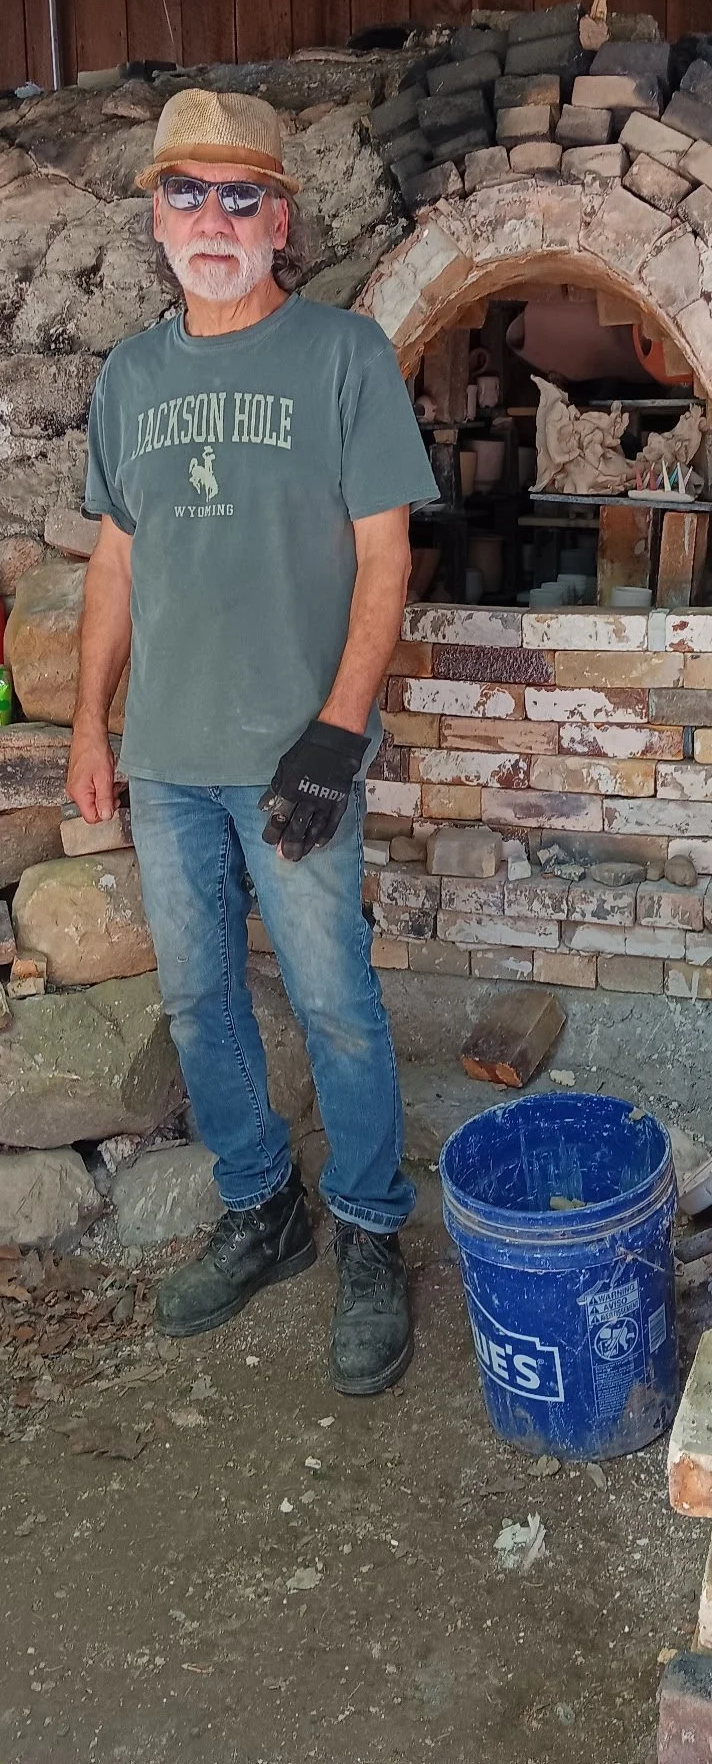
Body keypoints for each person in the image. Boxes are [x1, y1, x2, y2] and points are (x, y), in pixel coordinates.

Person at [67, 88, 438, 1396]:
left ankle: (375, 1229)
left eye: (241, 196)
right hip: (167, 760)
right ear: (155, 214)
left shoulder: (343, 356)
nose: (212, 220)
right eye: (188, 192)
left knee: (334, 1000)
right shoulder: (130, 377)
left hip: (296, 756)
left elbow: (385, 553)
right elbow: (115, 562)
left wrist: (338, 734)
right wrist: (90, 723)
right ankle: (261, 1206)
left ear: (279, 219)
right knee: (200, 996)